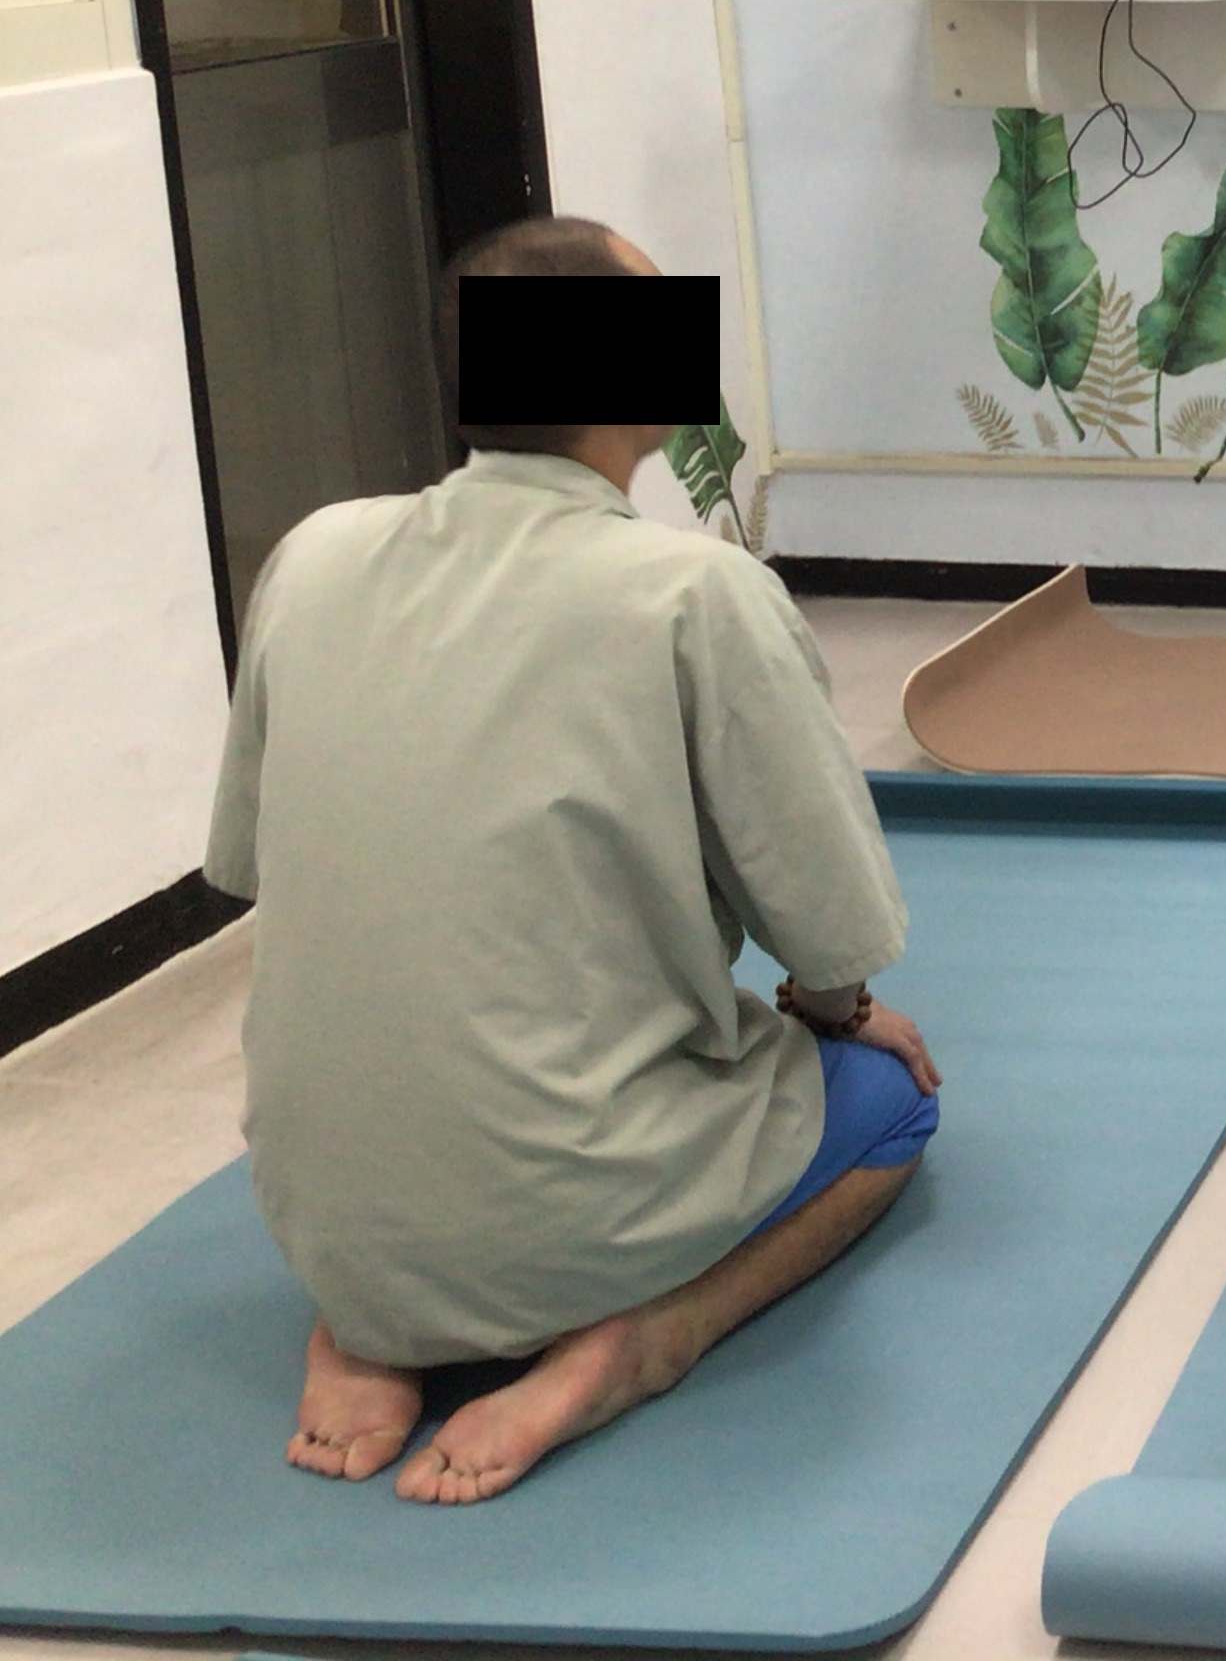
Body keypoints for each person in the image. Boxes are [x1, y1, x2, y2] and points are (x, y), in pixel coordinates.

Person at [204, 215, 940, 1505]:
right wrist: (843, 1017)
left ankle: (372, 1333)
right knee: (894, 1106)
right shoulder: (698, 594)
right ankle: (649, 1337)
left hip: (325, 1218)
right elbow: (829, 933)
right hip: (577, 1215)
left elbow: (259, 863)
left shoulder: (312, 557)